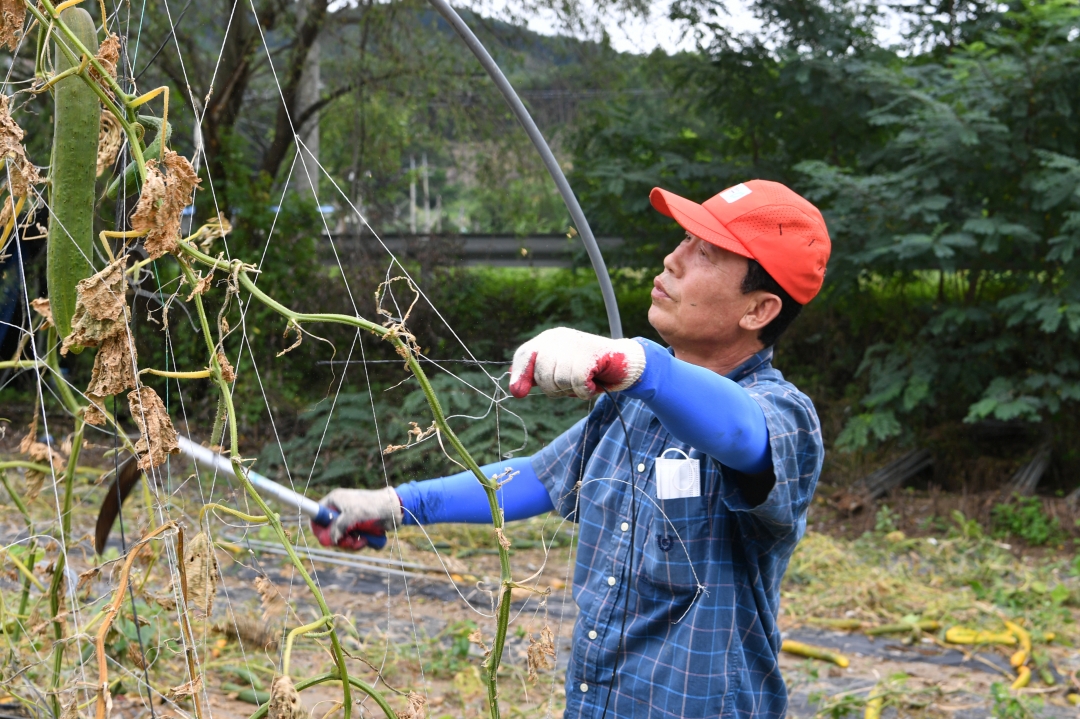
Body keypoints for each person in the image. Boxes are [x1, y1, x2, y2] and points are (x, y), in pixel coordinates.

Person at [313, 179, 830, 718]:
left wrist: (642, 364)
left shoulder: (783, 415)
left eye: (704, 253)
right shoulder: (632, 404)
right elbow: (540, 477)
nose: (672, 259)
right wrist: (399, 506)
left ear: (759, 310)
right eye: (682, 240)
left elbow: (742, 433)